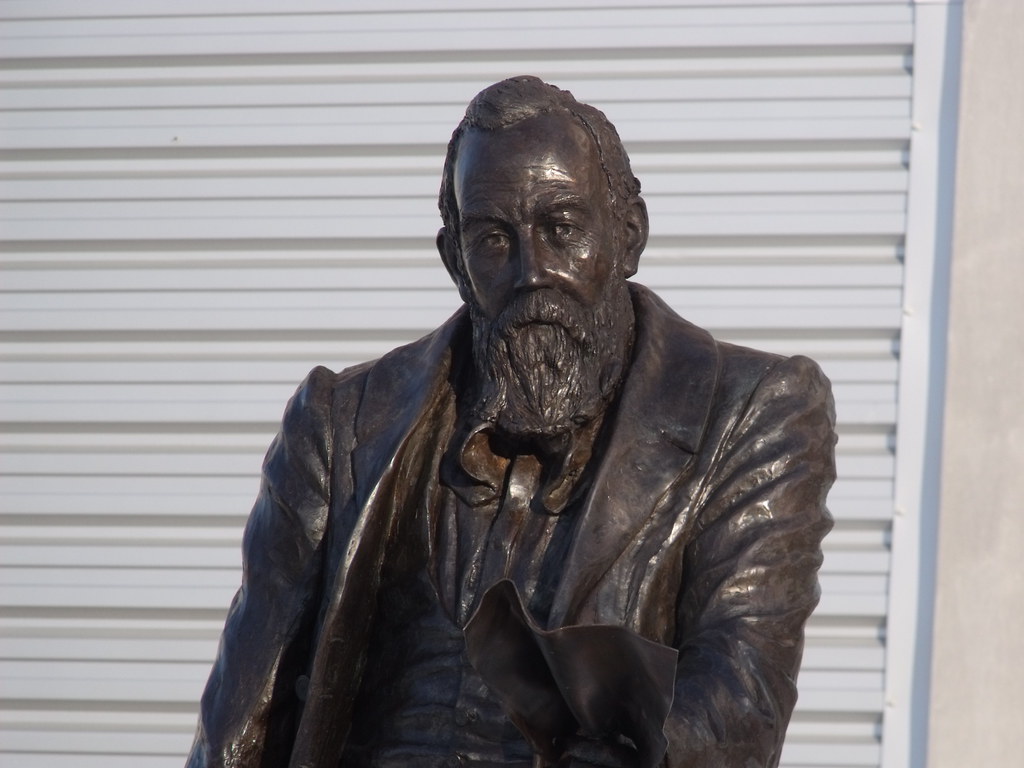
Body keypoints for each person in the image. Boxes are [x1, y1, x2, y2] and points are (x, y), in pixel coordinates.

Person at [186, 76, 836, 768]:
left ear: (628, 235)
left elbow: (743, 686)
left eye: (563, 230)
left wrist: (640, 751)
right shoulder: (339, 424)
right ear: (455, 261)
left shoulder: (751, 412)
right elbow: (243, 715)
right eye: (494, 240)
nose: (533, 272)